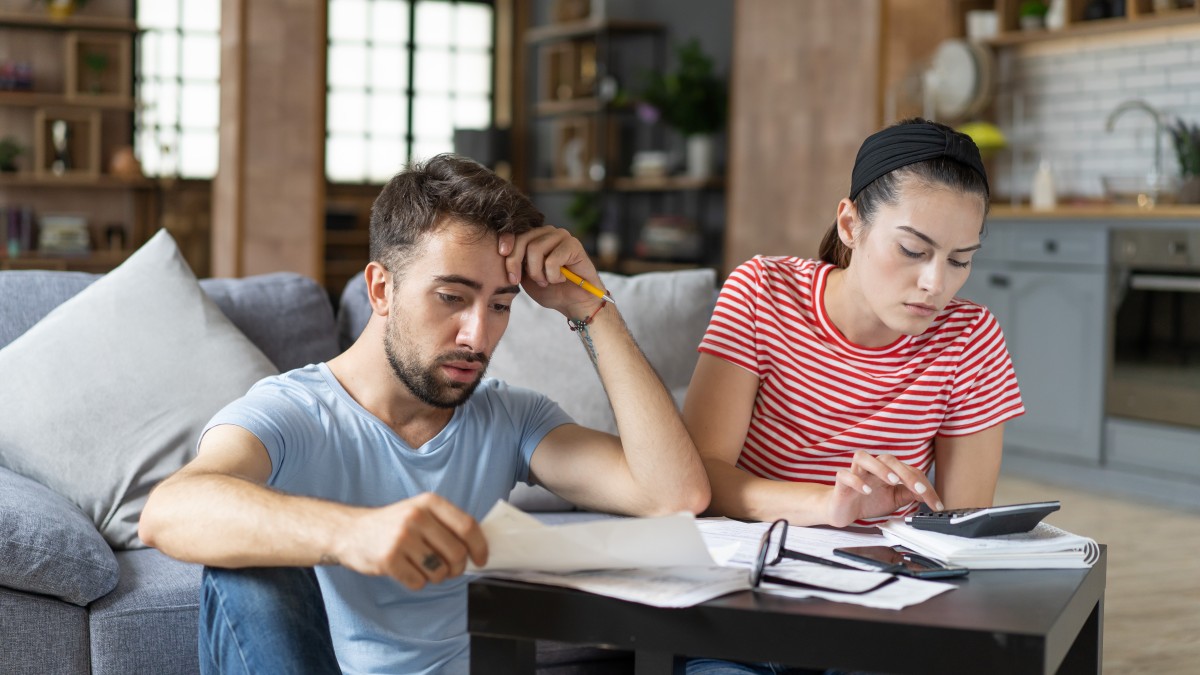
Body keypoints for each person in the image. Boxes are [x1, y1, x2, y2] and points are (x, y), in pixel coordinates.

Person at [138, 153, 710, 675]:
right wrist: (352, 531)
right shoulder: (296, 411)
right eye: (451, 297)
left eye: (501, 305)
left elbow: (673, 494)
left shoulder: (510, 418)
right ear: (381, 290)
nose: (478, 335)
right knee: (246, 571)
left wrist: (593, 308)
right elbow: (170, 510)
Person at [681, 119, 1025, 674]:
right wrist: (828, 506)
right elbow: (699, 479)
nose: (937, 283)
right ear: (850, 223)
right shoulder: (762, 295)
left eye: (961, 260)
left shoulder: (970, 338)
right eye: (914, 249)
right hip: (744, 610)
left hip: (880, 620)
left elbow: (961, 527)